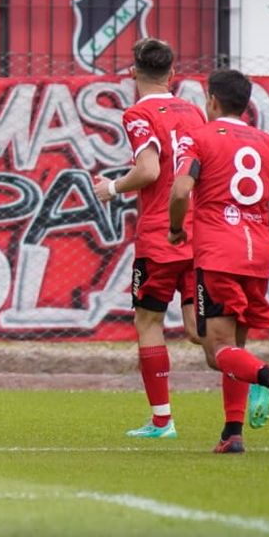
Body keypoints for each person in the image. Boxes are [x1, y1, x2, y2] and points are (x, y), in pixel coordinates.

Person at [168, 68, 269, 453]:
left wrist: (176, 228)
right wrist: (265, 235)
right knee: (235, 348)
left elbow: (180, 191)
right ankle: (232, 433)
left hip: (216, 253)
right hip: (256, 256)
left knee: (217, 352)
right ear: (246, 104)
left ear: (211, 100)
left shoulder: (198, 137)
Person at [93, 38, 204, 440]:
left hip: (161, 234)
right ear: (173, 75)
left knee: (148, 320)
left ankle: (162, 421)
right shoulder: (194, 111)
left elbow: (149, 170)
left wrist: (113, 187)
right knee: (200, 330)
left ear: (133, 74)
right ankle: (259, 373)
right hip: (199, 232)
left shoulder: (138, 113)